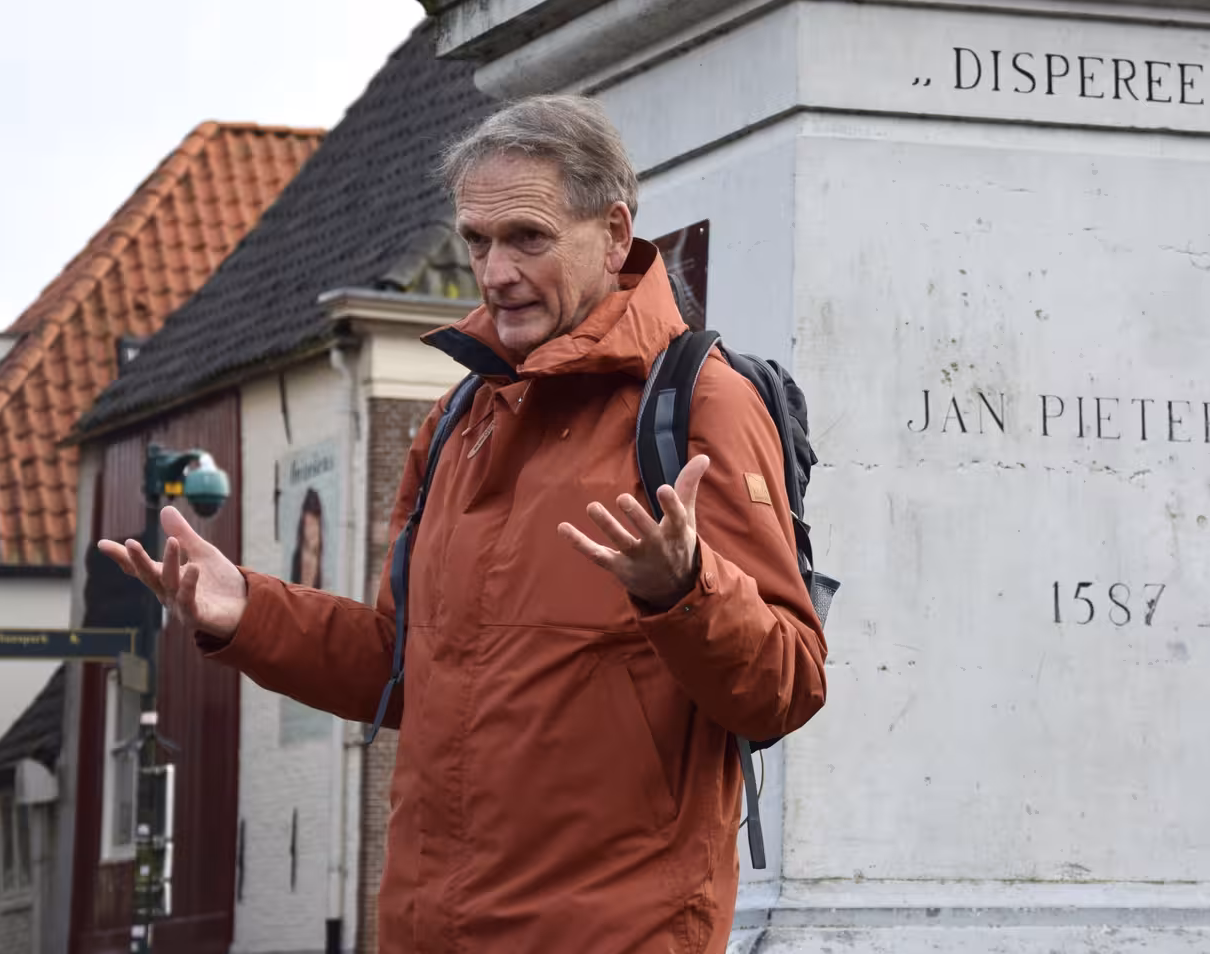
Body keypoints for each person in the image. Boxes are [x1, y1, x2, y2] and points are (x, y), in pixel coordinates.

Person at [103, 95, 827, 953]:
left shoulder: (702, 405)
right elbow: (403, 669)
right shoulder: (458, 419)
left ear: (615, 228)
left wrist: (685, 590)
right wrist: (247, 614)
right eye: (475, 242)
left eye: (527, 237)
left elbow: (787, 684)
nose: (495, 272)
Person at [290, 486, 323, 588]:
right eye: (309, 525)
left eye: (315, 525)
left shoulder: (320, 558)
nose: (312, 531)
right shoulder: (300, 557)